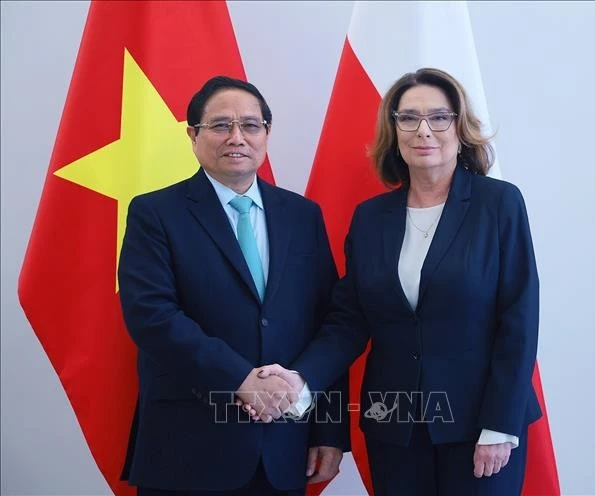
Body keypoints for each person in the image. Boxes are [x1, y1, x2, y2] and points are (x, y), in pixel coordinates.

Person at [256, 68, 542, 495]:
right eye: (408, 118)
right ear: (394, 129)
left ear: (459, 127)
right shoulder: (372, 218)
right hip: (394, 428)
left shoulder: (498, 204)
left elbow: (518, 320)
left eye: (438, 117)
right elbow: (349, 321)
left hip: (480, 427)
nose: (423, 130)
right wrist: (301, 380)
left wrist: (500, 425)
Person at [117, 75, 348, 495]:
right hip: (187, 449)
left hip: (282, 447)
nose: (236, 137)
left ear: (266, 134)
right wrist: (240, 380)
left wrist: (328, 432)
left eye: (250, 125)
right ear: (193, 135)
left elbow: (331, 322)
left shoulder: (302, 216)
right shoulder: (155, 214)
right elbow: (152, 317)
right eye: (221, 125)